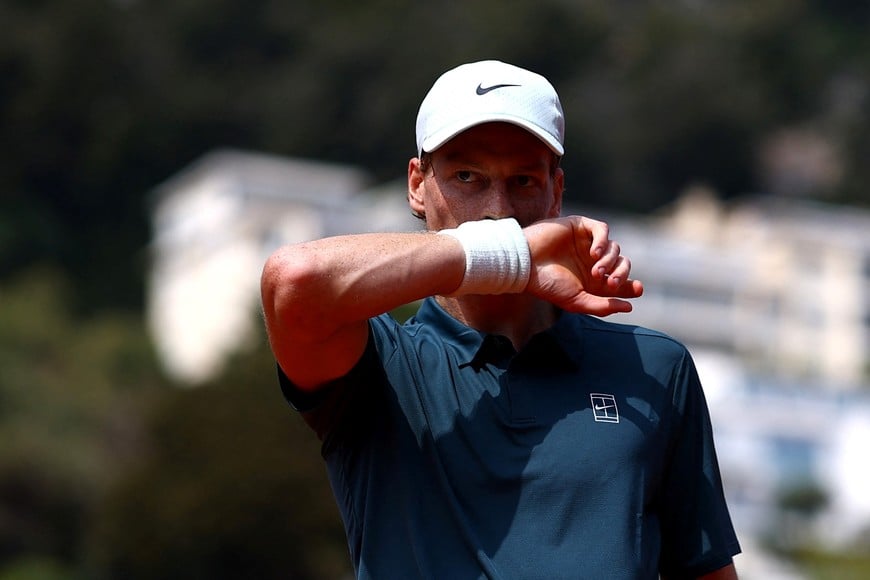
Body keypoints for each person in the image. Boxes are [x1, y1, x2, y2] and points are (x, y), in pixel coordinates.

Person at [261, 60, 741, 579]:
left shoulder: (653, 366)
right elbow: (295, 280)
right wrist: (507, 254)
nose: (497, 209)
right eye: (467, 176)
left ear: (556, 192)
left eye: (523, 180)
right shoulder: (379, 365)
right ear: (418, 185)